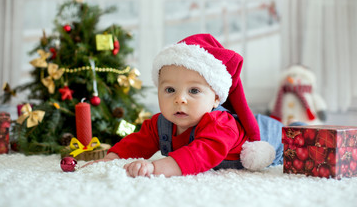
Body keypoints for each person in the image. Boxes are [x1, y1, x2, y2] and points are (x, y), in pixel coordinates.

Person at [83, 33, 285, 177]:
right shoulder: (160, 123)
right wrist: (111, 159)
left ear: (216, 98)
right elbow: (138, 142)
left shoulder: (221, 124)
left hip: (272, 137)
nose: (180, 99)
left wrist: (155, 168)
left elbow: (199, 155)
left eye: (194, 91)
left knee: (303, 138)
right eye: (170, 90)